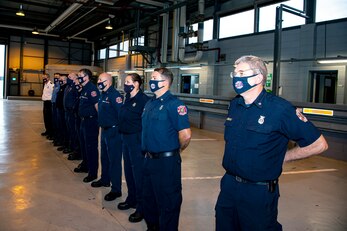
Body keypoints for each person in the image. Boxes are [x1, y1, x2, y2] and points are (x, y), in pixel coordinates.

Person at [215, 55, 329, 231]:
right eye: (235, 73)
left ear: (259, 78)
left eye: (242, 72)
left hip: (258, 192)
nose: (236, 77)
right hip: (229, 185)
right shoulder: (235, 105)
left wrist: (285, 157)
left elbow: (319, 144)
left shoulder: (280, 109)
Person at [141, 67, 192, 231]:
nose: (151, 81)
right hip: (148, 159)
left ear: (165, 82)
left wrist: (175, 151)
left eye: (154, 77)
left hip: (166, 162)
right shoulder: (150, 103)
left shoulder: (175, 104)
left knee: (168, 201)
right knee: (149, 198)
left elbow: (186, 135)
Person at [118, 73, 149, 223]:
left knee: (139, 175)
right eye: (125, 82)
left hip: (136, 140)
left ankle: (142, 207)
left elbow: (146, 124)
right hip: (125, 139)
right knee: (129, 172)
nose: (125, 84)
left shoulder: (144, 100)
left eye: (128, 82)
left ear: (137, 84)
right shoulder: (127, 97)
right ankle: (132, 199)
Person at [92, 72, 123, 201]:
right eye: (98, 79)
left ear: (108, 82)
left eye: (101, 79)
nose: (99, 81)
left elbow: (121, 114)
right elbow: (99, 108)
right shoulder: (103, 94)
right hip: (104, 130)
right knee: (104, 157)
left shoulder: (115, 95)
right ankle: (105, 179)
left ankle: (116, 189)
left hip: (114, 132)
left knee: (114, 160)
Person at [74, 69, 100, 182]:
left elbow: (97, 106)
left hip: (91, 122)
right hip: (83, 121)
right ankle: (85, 166)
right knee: (84, 145)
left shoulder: (92, 89)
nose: (78, 77)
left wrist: (100, 121)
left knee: (91, 148)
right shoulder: (84, 88)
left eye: (80, 75)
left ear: (86, 77)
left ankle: (92, 173)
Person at [41, 73, 54, 139]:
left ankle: (51, 132)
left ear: (48, 78)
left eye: (45, 77)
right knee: (45, 118)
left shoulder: (51, 85)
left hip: (49, 103)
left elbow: (53, 94)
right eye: (43, 77)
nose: (44, 79)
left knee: (49, 118)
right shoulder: (45, 84)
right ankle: (47, 130)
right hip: (45, 103)